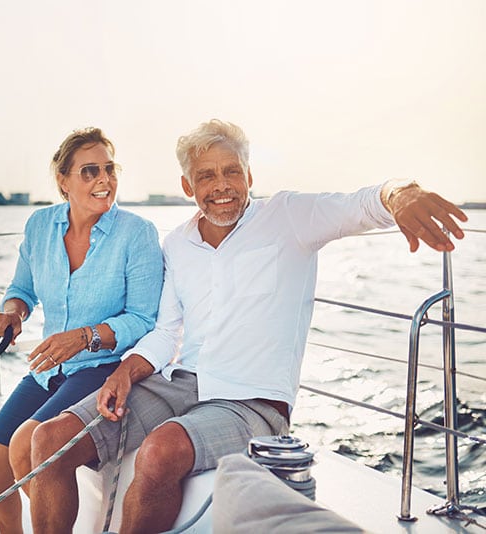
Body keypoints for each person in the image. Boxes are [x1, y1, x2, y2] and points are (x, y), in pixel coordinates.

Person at [27, 119, 468, 534]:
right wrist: (125, 372)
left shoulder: (289, 217)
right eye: (206, 176)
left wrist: (402, 194)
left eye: (231, 172)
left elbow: (363, 204)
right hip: (184, 383)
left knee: (161, 451)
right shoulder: (177, 244)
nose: (221, 186)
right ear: (187, 186)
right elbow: (165, 333)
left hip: (254, 401)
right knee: (49, 441)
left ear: (249, 177)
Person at [0, 127, 164, 533]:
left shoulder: (137, 234)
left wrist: (85, 337)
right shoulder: (40, 226)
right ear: (63, 181)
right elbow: (21, 290)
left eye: (110, 169)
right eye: (89, 171)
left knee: (26, 443)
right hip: (47, 368)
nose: (104, 180)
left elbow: (145, 319)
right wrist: (13, 312)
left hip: (102, 366)